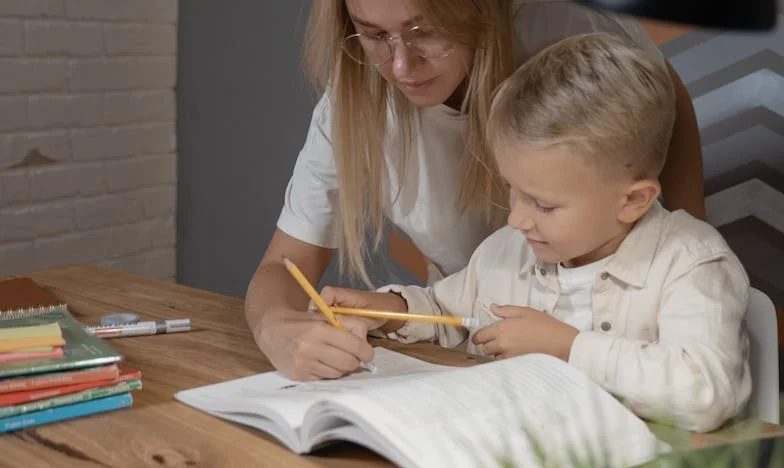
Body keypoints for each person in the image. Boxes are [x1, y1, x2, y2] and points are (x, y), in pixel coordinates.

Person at [245, 0, 707, 382]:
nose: (401, 65)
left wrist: (687, 241)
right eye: (373, 34)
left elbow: (660, 92)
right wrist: (281, 327)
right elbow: (452, 305)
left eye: (425, 31)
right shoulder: (498, 257)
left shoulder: (565, 30)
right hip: (491, 365)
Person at [317, 32, 751, 433]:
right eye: (513, 189)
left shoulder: (690, 262)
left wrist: (567, 347)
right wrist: (388, 310)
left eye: (543, 204)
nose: (517, 219)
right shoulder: (508, 252)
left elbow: (705, 392)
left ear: (633, 201)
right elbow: (446, 313)